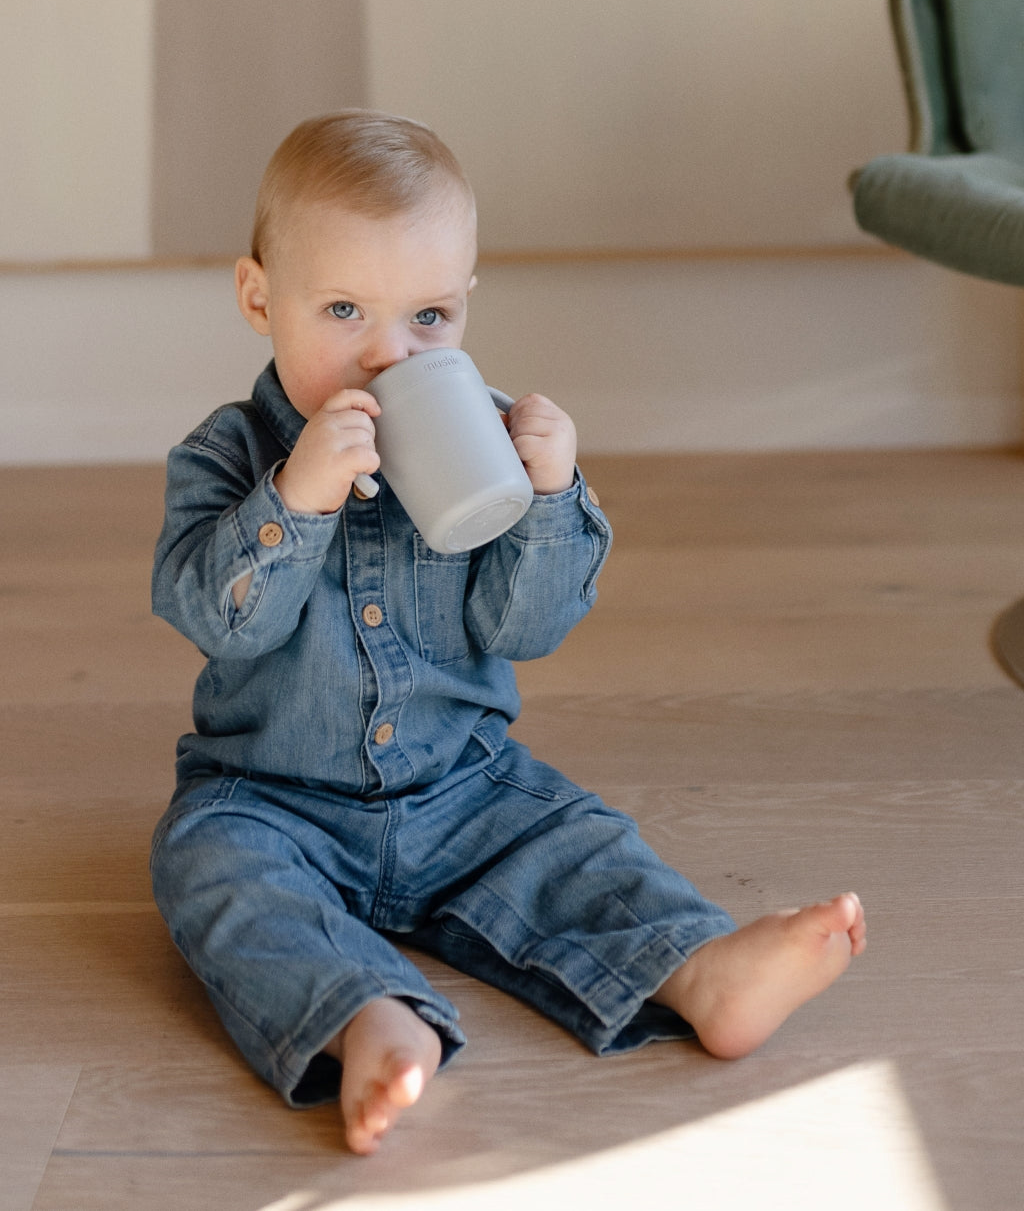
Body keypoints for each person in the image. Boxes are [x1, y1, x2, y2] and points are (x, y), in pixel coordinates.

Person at [150, 109, 866, 1156]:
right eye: (344, 309)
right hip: (272, 797)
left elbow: (526, 630)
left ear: (467, 301)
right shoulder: (225, 457)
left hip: (467, 788)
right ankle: (365, 1016)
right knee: (204, 867)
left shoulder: (481, 436)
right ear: (260, 297)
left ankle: (699, 967)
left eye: (429, 316)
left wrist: (550, 496)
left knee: (578, 845)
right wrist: (294, 501)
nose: (390, 355)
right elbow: (216, 617)